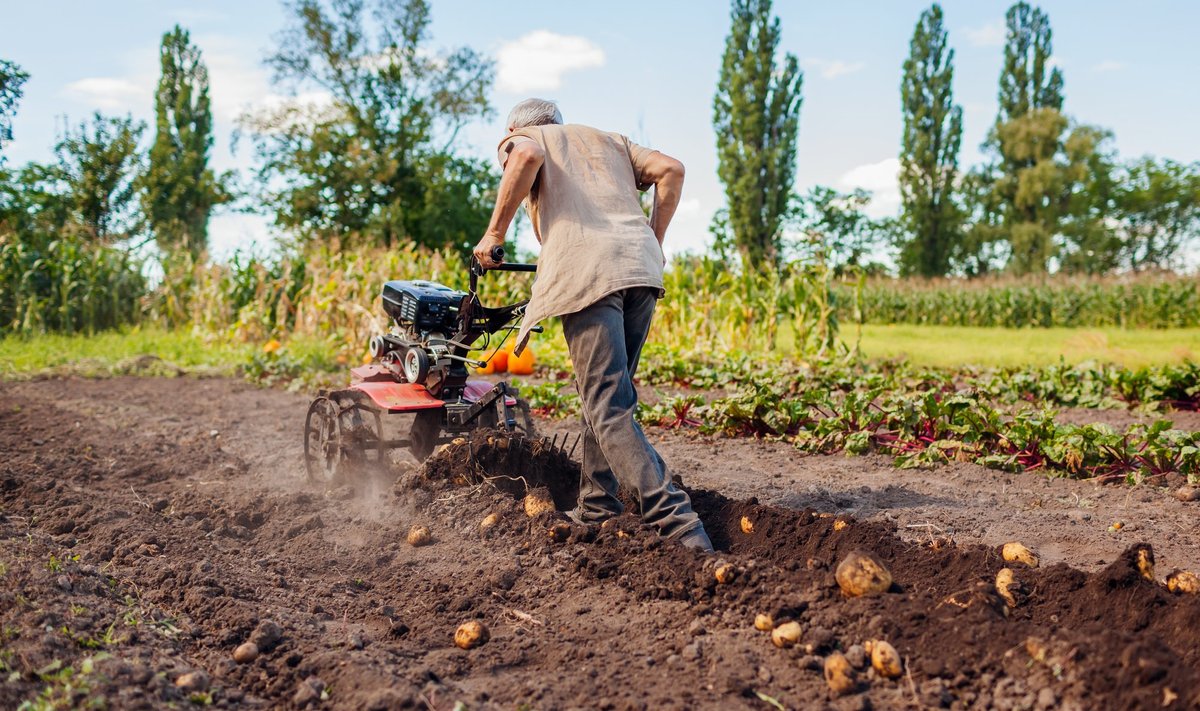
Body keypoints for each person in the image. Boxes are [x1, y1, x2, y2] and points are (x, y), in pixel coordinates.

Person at [472, 98, 714, 553]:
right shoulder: (612, 141)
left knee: (607, 406)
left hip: (589, 275)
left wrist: (495, 235)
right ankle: (599, 505)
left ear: (511, 128)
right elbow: (672, 170)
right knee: (607, 398)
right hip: (640, 271)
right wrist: (653, 239)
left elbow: (524, 158)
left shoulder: (524, 139)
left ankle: (679, 523)